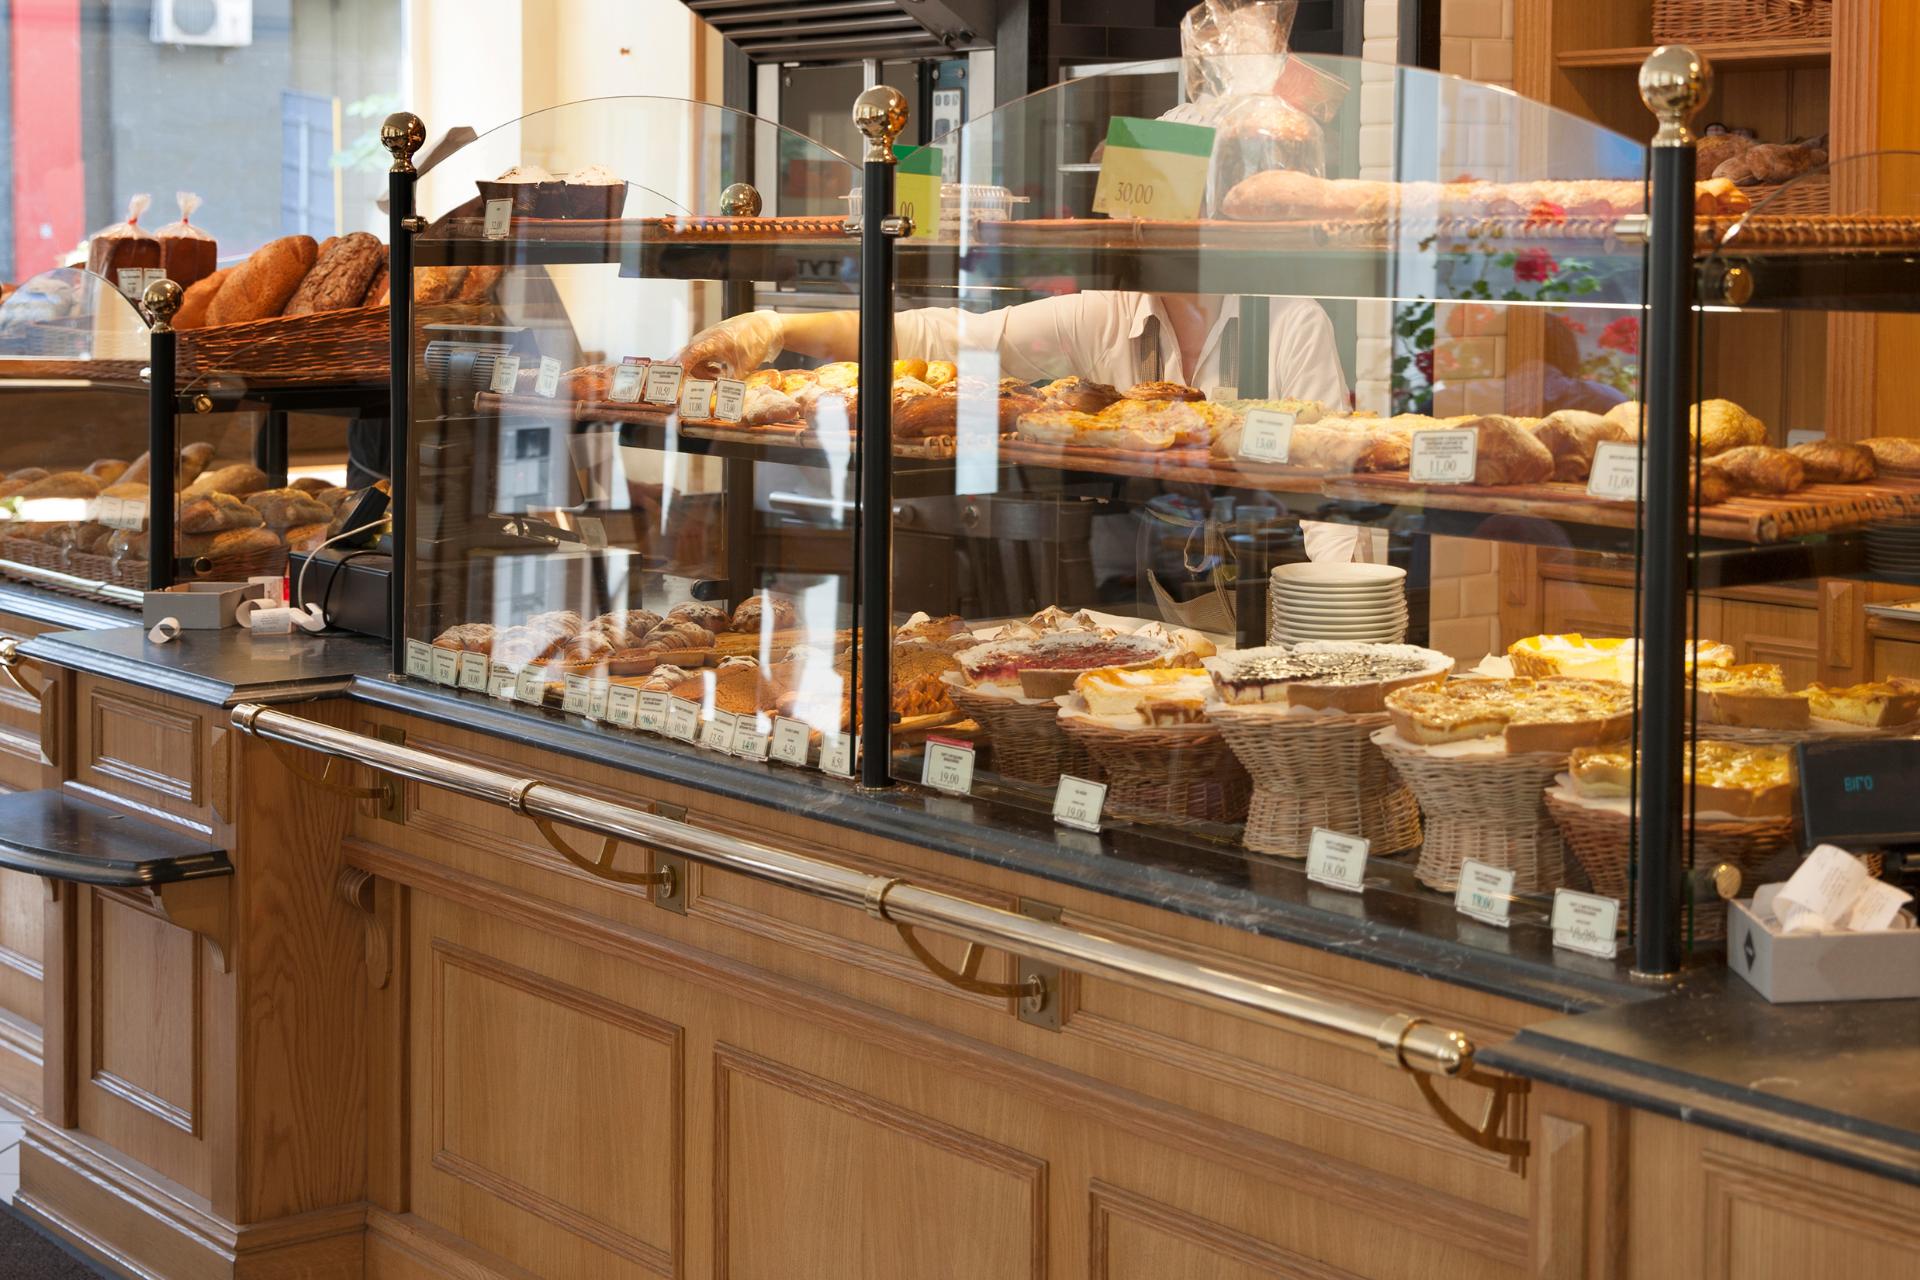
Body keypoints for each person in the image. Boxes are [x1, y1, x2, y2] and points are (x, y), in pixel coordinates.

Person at [676, 289, 1374, 562]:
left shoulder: (1289, 322)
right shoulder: (1111, 316)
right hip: (1174, 589)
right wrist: (780, 326)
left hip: (1288, 591)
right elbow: (952, 339)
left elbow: (1335, 489)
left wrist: (1339, 630)